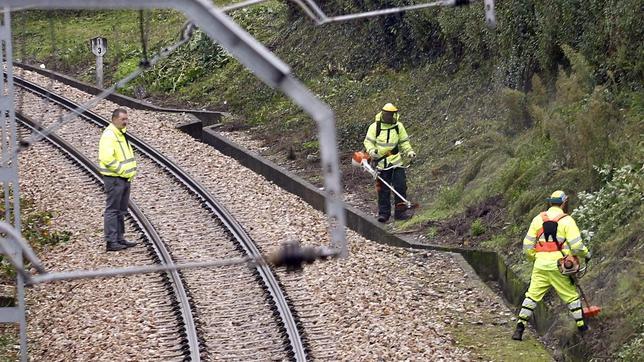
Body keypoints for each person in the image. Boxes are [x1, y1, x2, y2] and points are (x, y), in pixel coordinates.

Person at [512, 190, 591, 341]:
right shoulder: (567, 220)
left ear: (550, 202)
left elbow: (527, 246)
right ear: (564, 202)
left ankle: (519, 329)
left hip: (540, 265)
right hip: (560, 266)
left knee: (532, 296)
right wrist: (586, 254)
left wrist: (535, 258)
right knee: (571, 296)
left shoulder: (537, 219)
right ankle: (583, 327)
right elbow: (577, 247)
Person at [363, 103, 416, 222]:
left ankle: (400, 213)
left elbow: (404, 142)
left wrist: (409, 151)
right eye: (387, 114)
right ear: (383, 113)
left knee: (400, 187)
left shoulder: (398, 126)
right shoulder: (375, 127)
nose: (389, 117)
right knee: (382, 189)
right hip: (381, 164)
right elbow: (368, 142)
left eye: (392, 114)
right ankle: (384, 214)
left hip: (396, 163)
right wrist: (371, 151)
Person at [98, 108, 138, 251]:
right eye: (123, 119)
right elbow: (107, 158)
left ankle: (120, 238)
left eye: (127, 119)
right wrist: (122, 171)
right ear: (114, 119)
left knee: (121, 209)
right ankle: (111, 241)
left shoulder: (120, 133)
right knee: (113, 209)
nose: (126, 122)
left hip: (124, 178)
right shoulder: (109, 135)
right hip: (115, 178)